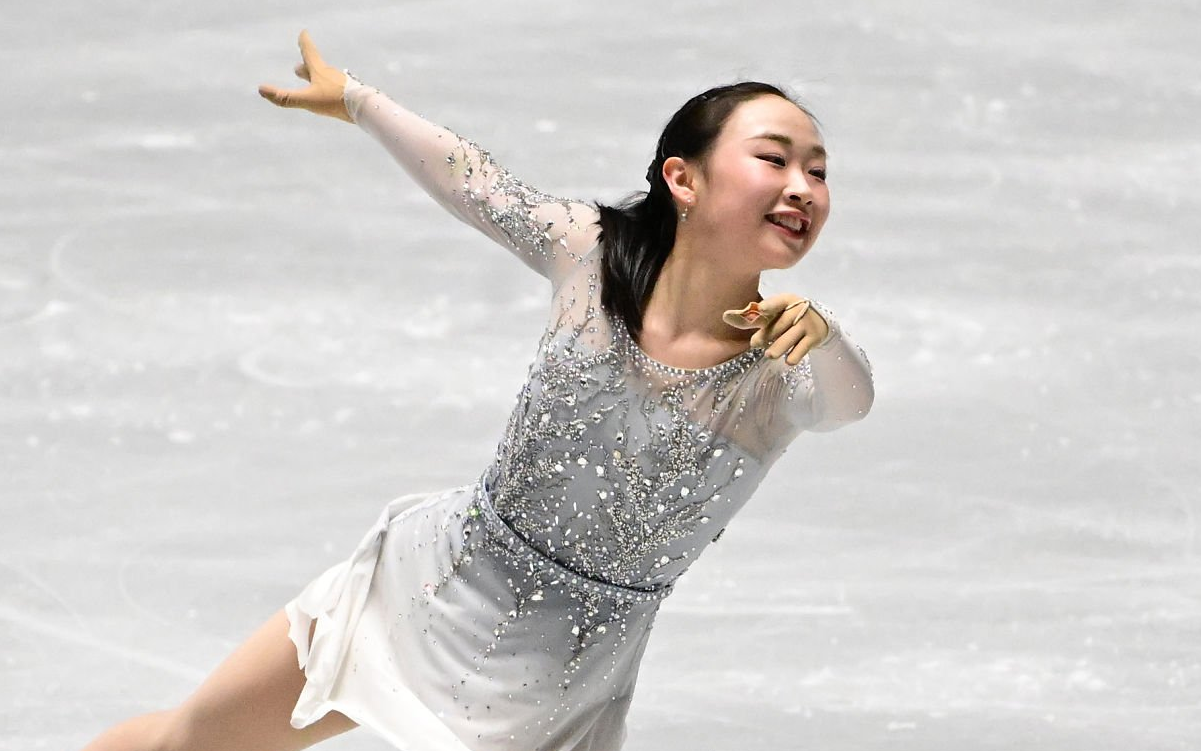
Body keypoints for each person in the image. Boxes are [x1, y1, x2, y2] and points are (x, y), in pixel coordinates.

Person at [83, 29, 873, 751]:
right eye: (774, 159)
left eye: (818, 171)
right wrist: (358, 100)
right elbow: (479, 185)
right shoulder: (591, 253)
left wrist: (825, 334)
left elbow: (850, 400)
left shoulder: (784, 369)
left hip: (559, 673)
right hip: (431, 580)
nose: (803, 186)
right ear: (682, 178)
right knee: (186, 742)